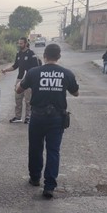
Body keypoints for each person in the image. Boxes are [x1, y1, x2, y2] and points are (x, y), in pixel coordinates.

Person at [17, 43, 79, 199]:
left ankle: (35, 178)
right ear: (59, 56)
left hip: (37, 116)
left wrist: (21, 82)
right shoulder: (66, 73)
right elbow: (76, 92)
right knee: (53, 151)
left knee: (35, 148)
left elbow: (18, 89)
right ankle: (49, 186)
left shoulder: (33, 72)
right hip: (57, 118)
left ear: (44, 56)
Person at [1, 37, 40, 124]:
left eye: (21, 43)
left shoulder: (31, 54)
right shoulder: (18, 53)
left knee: (28, 100)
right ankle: (18, 117)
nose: (20, 45)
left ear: (26, 43)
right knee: (18, 98)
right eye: (19, 43)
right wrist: (5, 70)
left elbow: (37, 68)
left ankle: (28, 117)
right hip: (19, 79)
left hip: (29, 79)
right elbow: (15, 66)